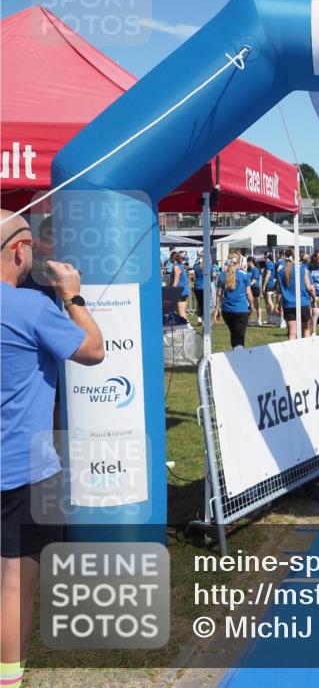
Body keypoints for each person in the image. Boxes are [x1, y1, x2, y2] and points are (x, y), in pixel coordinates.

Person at [1, 209, 104, 688]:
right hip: (24, 469)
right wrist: (73, 294)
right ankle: (8, 678)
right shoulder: (29, 307)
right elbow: (93, 349)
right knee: (15, 582)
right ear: (19, 251)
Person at [276, 247, 315, 340]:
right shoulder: (302, 269)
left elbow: (279, 290)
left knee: (292, 333)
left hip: (288, 304)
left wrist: (278, 304)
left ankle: (291, 353)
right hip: (303, 302)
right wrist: (314, 298)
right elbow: (309, 287)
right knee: (306, 329)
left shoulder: (281, 271)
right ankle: (305, 352)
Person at [215, 252, 253, 349]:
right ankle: (239, 357)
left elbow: (219, 294)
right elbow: (248, 293)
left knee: (234, 334)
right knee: (239, 337)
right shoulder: (244, 275)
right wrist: (252, 306)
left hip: (227, 310)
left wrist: (216, 310)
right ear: (239, 262)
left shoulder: (222, 275)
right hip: (241, 310)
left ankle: (235, 352)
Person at [169, 250, 191, 321]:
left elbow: (176, 279)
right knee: (180, 311)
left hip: (180, 291)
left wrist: (172, 291)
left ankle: (186, 327)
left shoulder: (176, 267)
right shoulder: (181, 266)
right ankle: (185, 326)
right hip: (184, 290)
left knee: (181, 312)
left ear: (173, 258)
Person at [246, 255, 263, 326]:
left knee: (257, 306)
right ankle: (248, 319)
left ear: (250, 262)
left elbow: (254, 280)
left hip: (255, 289)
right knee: (250, 306)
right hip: (249, 289)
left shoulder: (255, 269)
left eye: (247, 262)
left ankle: (259, 320)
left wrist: (248, 285)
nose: (247, 264)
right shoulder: (248, 270)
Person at [263, 252, 278, 326]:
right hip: (270, 284)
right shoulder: (270, 263)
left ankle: (274, 318)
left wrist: (264, 285)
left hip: (269, 284)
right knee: (267, 302)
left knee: (269, 301)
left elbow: (268, 275)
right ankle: (269, 318)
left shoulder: (269, 263)